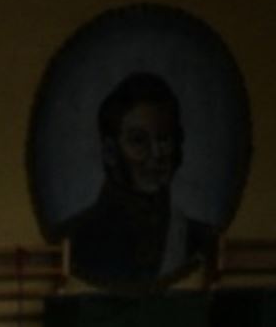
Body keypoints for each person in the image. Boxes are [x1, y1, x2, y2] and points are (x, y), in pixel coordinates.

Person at [58, 72, 217, 288]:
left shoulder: (197, 237)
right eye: (138, 141)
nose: (156, 154)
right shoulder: (77, 238)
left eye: (164, 139)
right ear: (110, 151)